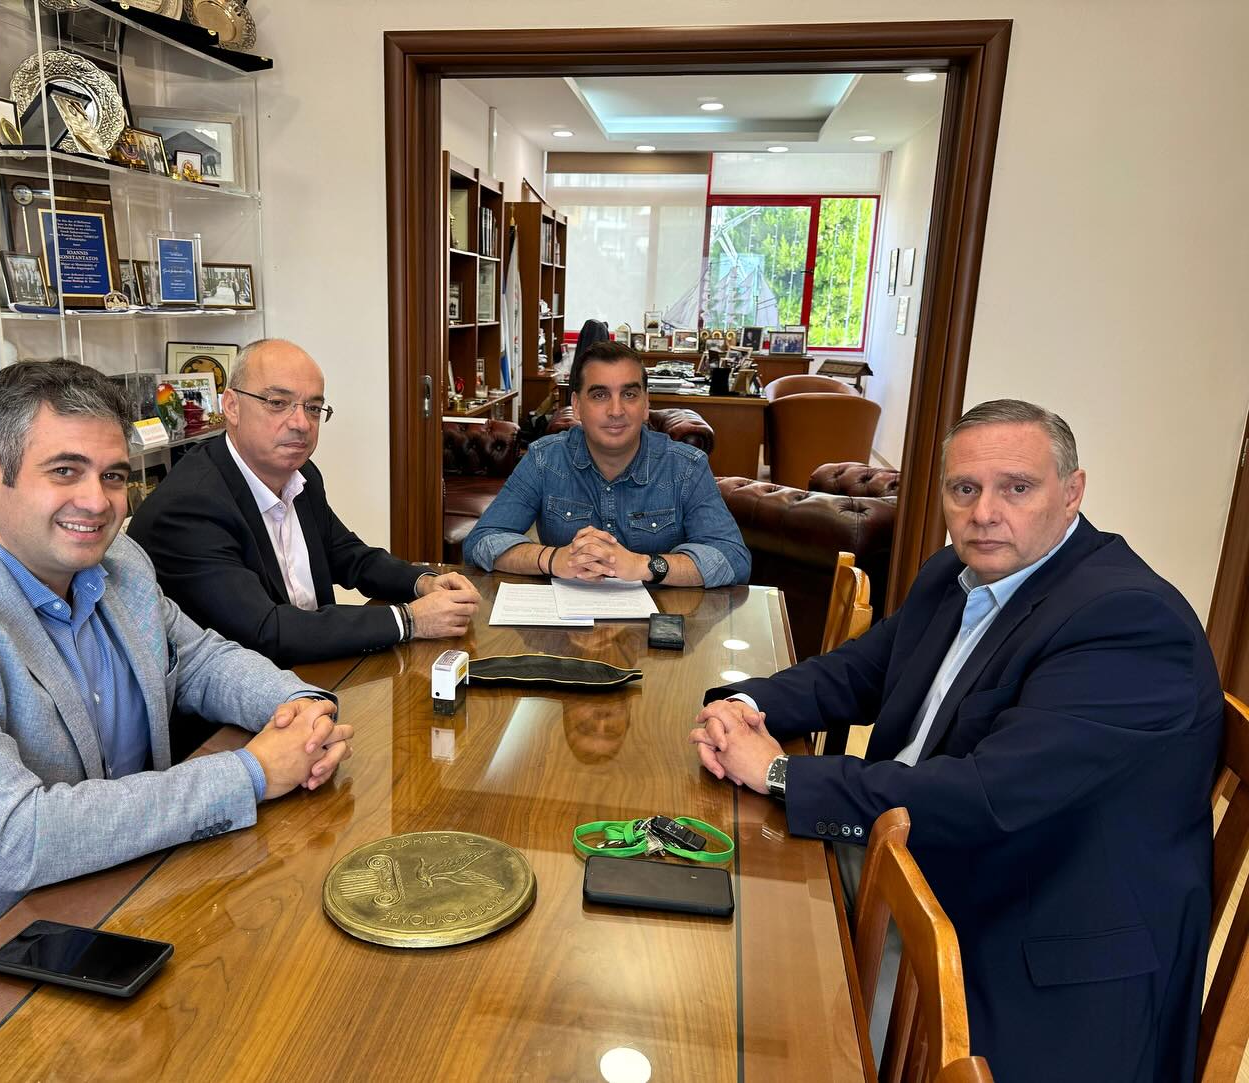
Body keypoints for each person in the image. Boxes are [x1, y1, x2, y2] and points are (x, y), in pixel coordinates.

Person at [0, 360, 353, 1064]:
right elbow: (14, 836)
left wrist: (297, 704)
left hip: (110, 908)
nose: (97, 501)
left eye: (113, 475)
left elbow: (199, 658)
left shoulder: (118, 563)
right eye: (64, 470)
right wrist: (250, 773)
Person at [689, 399, 1221, 1082]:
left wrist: (782, 773)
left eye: (1016, 487)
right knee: (712, 911)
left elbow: (982, 798)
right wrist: (742, 705)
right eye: (964, 488)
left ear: (1073, 492)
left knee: (758, 1018)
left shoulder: (1127, 621)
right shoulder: (956, 573)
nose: (983, 513)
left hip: (1031, 947)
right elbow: (859, 671)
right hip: (920, 863)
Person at [128, 339, 481, 667]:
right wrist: (410, 619)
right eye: (277, 403)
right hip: (234, 699)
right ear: (232, 407)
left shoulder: (300, 473)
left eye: (313, 408)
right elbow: (265, 631)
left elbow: (347, 554)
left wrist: (423, 582)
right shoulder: (189, 508)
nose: (301, 423)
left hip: (312, 671)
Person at [464, 340, 749, 588]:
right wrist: (554, 558)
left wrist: (643, 565)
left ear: (646, 404)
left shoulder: (686, 467)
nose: (616, 410)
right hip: (565, 620)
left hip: (659, 622)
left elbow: (733, 558)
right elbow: (481, 542)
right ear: (577, 406)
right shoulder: (544, 459)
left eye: (629, 394)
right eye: (600, 395)